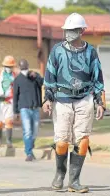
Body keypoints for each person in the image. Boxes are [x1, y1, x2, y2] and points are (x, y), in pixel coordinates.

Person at [43, 13, 105, 193]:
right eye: (67, 30)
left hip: (84, 99)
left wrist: (100, 103)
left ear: (82, 31)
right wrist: (47, 98)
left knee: (82, 140)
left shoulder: (90, 52)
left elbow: (98, 79)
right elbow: (49, 76)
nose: (69, 33)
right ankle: (59, 174)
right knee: (62, 141)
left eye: (72, 30)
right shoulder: (57, 50)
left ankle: (74, 181)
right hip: (62, 99)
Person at [13, 59, 43, 161]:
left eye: (25, 66)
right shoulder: (18, 79)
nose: (24, 68)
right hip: (24, 108)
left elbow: (42, 82)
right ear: (19, 67)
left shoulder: (34, 76)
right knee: (28, 131)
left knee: (34, 131)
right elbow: (15, 96)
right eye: (22, 66)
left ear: (28, 66)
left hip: (35, 108)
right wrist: (15, 111)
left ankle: (30, 145)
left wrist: (37, 76)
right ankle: (29, 153)